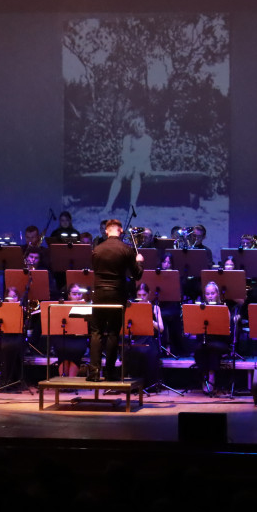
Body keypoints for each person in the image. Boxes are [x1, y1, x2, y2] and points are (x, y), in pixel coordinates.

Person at [88, 218, 144, 382]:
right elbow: (137, 275)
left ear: (106, 231)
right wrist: (139, 262)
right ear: (120, 231)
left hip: (99, 293)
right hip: (117, 294)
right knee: (113, 332)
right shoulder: (126, 250)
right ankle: (110, 372)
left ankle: (94, 372)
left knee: (96, 332)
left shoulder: (96, 249)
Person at [103, 115, 153, 213]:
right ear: (134, 128)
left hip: (143, 165)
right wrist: (129, 165)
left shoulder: (148, 139)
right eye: (140, 127)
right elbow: (124, 155)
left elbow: (145, 156)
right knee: (119, 174)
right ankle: (108, 206)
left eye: (143, 126)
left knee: (135, 173)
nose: (143, 129)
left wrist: (133, 166)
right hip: (129, 164)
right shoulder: (127, 139)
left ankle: (132, 205)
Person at [192, 281, 232, 395]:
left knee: (212, 348)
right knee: (199, 348)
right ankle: (204, 375)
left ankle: (211, 375)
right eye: (208, 294)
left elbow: (227, 328)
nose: (210, 296)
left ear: (217, 294)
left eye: (212, 293)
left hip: (220, 342)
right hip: (205, 340)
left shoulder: (223, 308)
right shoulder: (201, 308)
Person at [51, 283, 90, 378]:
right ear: (69, 295)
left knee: (76, 350)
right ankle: (62, 382)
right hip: (63, 335)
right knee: (61, 349)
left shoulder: (86, 306)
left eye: (79, 294)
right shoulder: (62, 307)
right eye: (74, 294)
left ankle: (71, 382)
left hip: (79, 338)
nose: (77, 296)